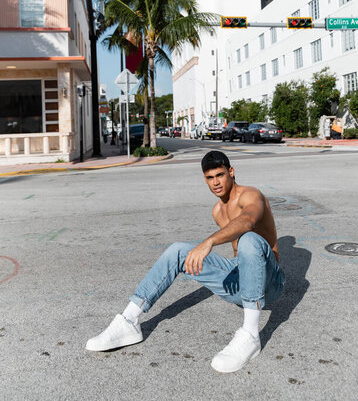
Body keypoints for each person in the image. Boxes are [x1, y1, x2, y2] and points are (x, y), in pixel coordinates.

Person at [86, 150, 285, 373]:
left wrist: (208, 243)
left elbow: (248, 221)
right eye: (210, 178)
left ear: (231, 172)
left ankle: (250, 335)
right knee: (178, 250)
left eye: (220, 175)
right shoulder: (218, 211)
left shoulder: (251, 195)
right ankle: (129, 321)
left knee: (249, 239)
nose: (216, 183)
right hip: (241, 278)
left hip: (270, 282)